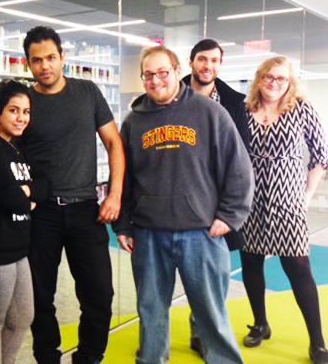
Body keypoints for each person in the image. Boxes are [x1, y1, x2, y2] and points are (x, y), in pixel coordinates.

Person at [113, 46, 253, 364]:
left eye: (163, 72)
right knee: (151, 313)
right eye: (148, 74)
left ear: (178, 71)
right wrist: (122, 224)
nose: (156, 80)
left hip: (202, 234)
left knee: (211, 318)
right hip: (149, 235)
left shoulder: (209, 113)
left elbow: (239, 168)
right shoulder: (134, 122)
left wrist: (230, 216)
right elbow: (124, 177)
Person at [20, 26, 124, 364]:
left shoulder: (87, 92)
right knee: (38, 295)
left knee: (99, 293)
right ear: (28, 64)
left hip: (86, 209)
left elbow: (113, 144)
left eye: (51, 57)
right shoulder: (24, 103)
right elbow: (6, 153)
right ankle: (47, 356)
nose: (45, 66)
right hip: (41, 213)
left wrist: (115, 193)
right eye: (37, 60)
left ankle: (89, 357)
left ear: (63, 57)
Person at [240, 56, 328, 364]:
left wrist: (306, 194)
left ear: (290, 83)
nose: (275, 84)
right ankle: (261, 323)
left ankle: (317, 342)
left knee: (299, 269)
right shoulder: (245, 110)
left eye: (282, 79)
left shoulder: (301, 110)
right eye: (269, 77)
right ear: (259, 78)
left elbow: (321, 156)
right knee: (250, 263)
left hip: (287, 204)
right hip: (248, 203)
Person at [0, 80, 51, 364]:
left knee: (22, 318)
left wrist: (28, 194)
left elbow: (44, 184)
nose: (22, 118)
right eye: (14, 111)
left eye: (26, 112)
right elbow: (8, 198)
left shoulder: (17, 147)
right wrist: (27, 195)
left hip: (19, 249)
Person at [182, 38, 251, 356]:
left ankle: (203, 332)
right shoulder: (171, 94)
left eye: (214, 60)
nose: (208, 66)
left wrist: (232, 208)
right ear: (191, 62)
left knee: (211, 276)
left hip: (217, 206)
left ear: (220, 65)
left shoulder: (235, 103)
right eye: (202, 59)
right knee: (171, 273)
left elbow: (243, 157)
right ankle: (155, 339)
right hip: (178, 199)